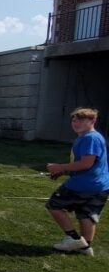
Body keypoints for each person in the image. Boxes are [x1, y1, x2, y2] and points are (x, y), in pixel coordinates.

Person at [46, 107, 109, 256]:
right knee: (86, 215)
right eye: (74, 120)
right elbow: (87, 164)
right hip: (100, 186)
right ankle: (85, 247)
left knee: (54, 205)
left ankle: (73, 238)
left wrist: (59, 166)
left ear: (92, 121)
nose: (76, 123)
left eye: (81, 120)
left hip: (83, 185)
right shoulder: (91, 137)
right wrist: (64, 171)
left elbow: (86, 163)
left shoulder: (90, 138)